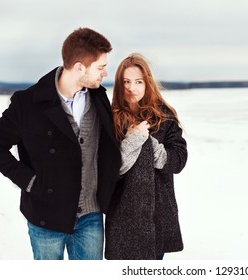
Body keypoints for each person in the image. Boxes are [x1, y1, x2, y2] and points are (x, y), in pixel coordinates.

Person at [0, 27, 121, 260]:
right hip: (46, 217)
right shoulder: (27, 103)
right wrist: (27, 180)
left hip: (91, 216)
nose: (105, 73)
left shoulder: (99, 98)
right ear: (79, 68)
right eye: (100, 67)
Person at [105, 53, 188, 260]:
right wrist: (133, 139)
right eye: (126, 81)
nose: (131, 88)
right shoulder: (109, 118)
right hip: (123, 216)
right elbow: (111, 170)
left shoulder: (165, 117)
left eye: (138, 81)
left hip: (157, 214)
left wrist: (147, 141)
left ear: (147, 82)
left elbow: (177, 161)